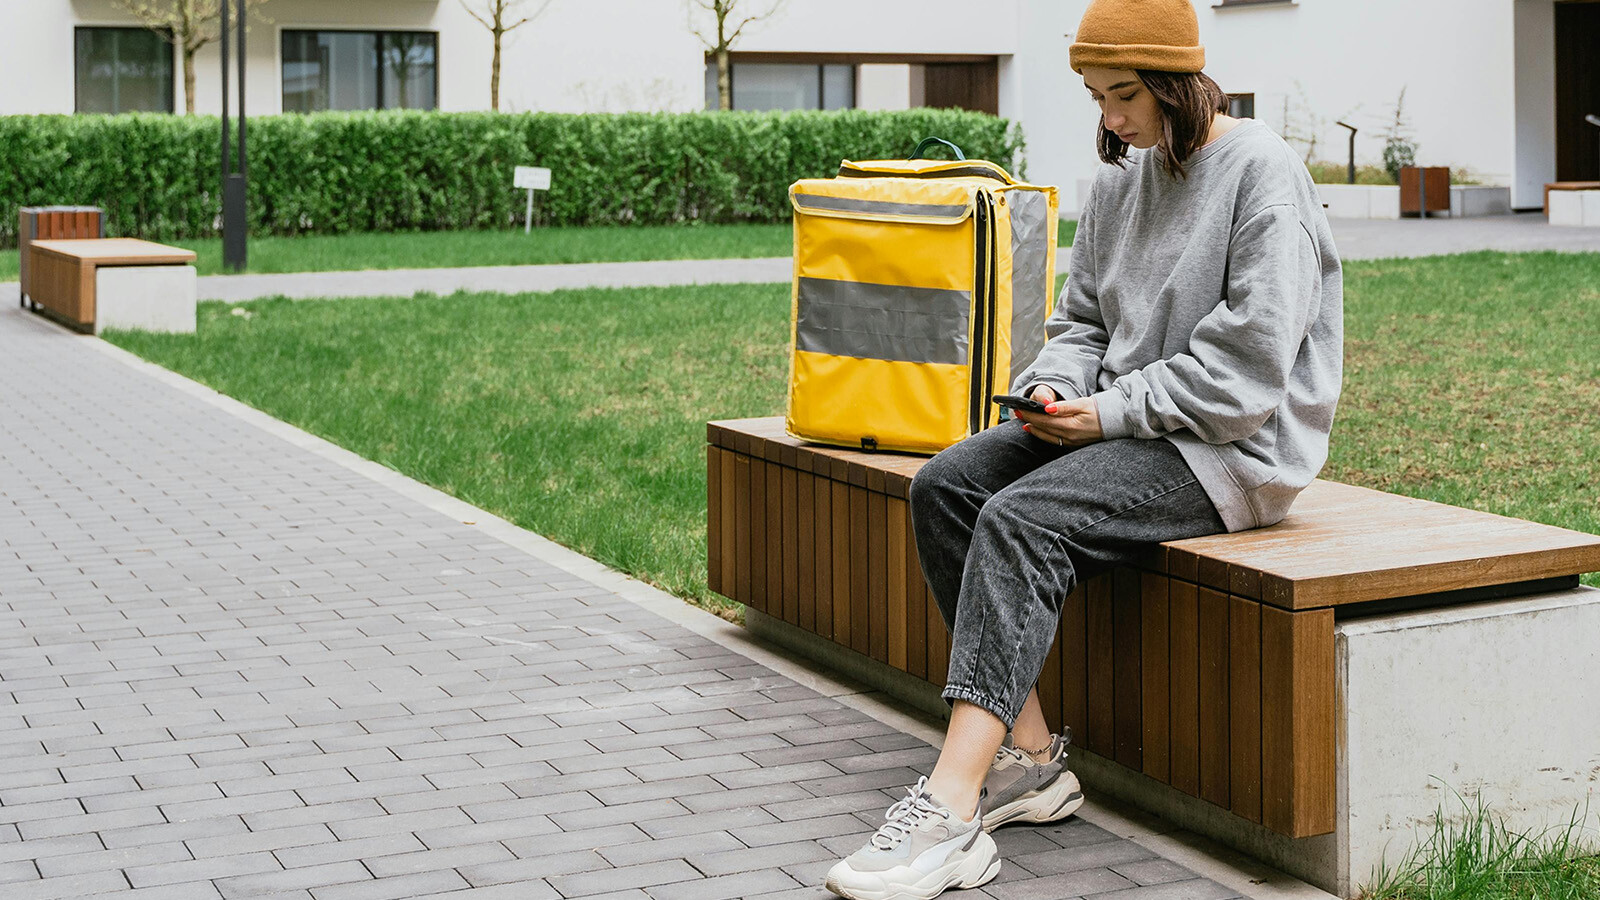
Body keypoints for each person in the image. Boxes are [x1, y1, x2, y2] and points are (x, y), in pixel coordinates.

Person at [823, 0, 1345, 897]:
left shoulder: (1262, 173)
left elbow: (1250, 372)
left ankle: (951, 808)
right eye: (1098, 97)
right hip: (1126, 420)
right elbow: (1083, 322)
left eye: (1127, 94)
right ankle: (1027, 760)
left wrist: (1106, 414)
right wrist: (1059, 389)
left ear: (1183, 81)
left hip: (1233, 450)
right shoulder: (1123, 178)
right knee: (947, 484)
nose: (1111, 118)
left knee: (1022, 520)